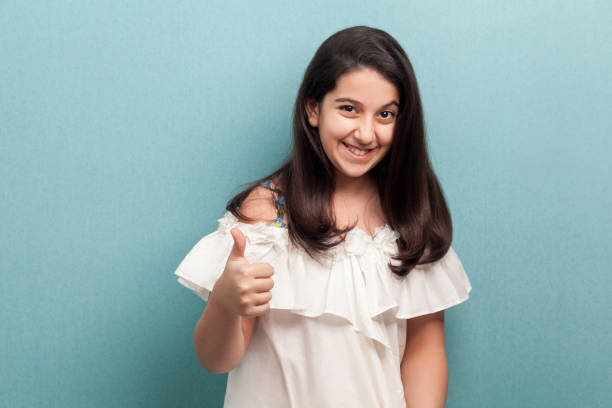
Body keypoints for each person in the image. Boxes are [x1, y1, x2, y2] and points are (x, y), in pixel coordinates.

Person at [174, 25, 473, 407]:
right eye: (349, 109)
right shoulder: (269, 213)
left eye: (385, 114)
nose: (366, 133)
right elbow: (216, 359)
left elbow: (424, 353)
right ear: (313, 109)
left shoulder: (408, 218)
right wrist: (224, 302)